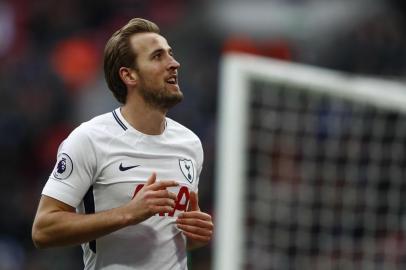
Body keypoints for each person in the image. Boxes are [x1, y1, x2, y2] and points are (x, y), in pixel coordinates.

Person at [32, 18, 213, 270]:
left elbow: (169, 237)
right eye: (157, 56)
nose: (174, 63)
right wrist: (127, 213)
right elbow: (43, 229)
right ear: (129, 75)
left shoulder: (190, 143)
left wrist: (193, 236)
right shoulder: (89, 139)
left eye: (171, 54)